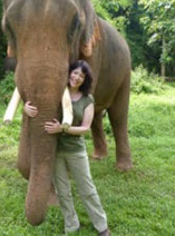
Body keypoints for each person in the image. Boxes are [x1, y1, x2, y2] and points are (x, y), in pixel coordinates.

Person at [24, 60, 110, 236]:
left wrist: (63, 128)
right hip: (55, 151)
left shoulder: (88, 100)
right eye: (75, 72)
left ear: (84, 80)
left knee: (87, 189)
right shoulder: (56, 93)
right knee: (63, 192)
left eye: (81, 75)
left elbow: (85, 128)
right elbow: (39, 107)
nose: (76, 77)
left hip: (76, 152)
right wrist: (26, 107)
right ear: (69, 73)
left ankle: (101, 226)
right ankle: (71, 225)